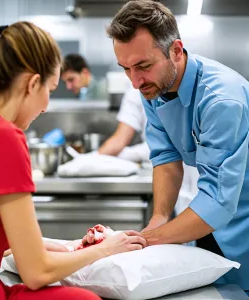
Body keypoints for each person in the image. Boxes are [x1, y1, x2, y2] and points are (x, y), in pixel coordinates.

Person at [0, 22, 146, 299]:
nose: (45, 107)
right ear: (32, 84)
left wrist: (67, 247)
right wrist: (103, 250)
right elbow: (36, 272)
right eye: (50, 91)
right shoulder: (0, 135)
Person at [106, 0, 249, 291]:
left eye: (143, 66)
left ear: (176, 50)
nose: (135, 81)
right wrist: (159, 218)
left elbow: (220, 201)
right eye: (126, 69)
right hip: (210, 221)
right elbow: (166, 159)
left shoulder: (221, 100)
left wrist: (147, 239)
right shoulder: (154, 88)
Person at [99, 85, 199, 217]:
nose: (135, 81)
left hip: (197, 185)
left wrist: (94, 159)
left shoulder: (203, 92)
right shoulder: (142, 94)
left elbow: (120, 141)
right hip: (178, 185)